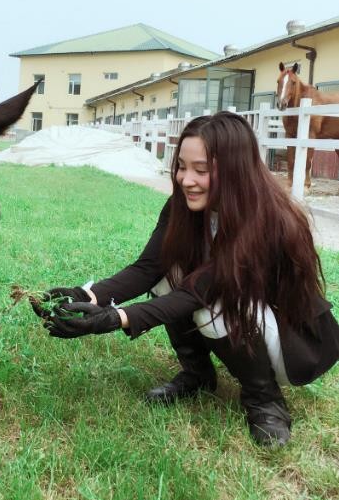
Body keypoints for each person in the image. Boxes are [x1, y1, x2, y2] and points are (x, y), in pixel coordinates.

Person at [32, 112, 339, 446]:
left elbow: (202, 291)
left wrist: (116, 318)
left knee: (216, 303)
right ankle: (198, 375)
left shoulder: (267, 219)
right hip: (237, 311)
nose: (185, 179)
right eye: (181, 166)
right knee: (169, 277)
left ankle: (264, 398)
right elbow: (148, 268)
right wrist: (87, 295)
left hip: (291, 341)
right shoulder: (184, 205)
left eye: (201, 170)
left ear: (235, 170)